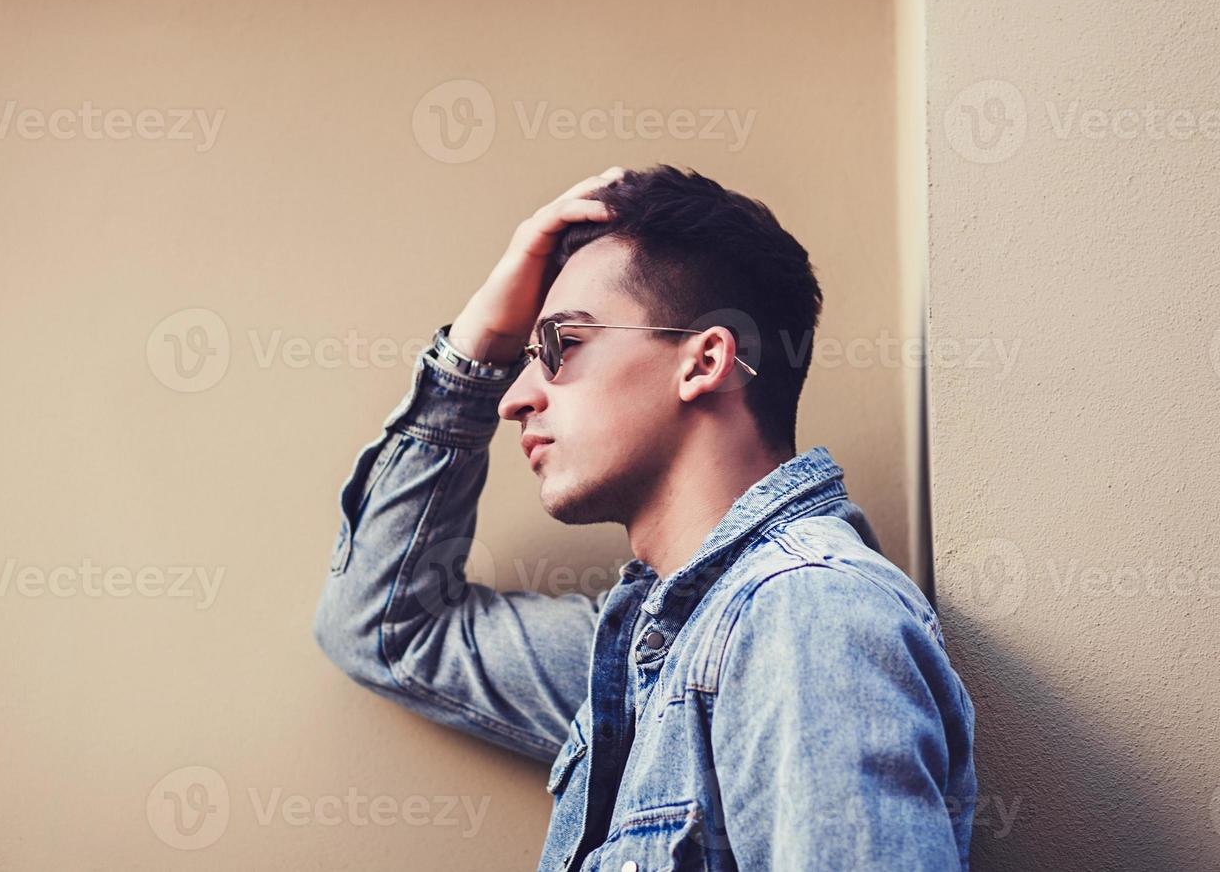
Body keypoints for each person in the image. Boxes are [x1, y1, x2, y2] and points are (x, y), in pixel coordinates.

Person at [312, 165, 977, 870]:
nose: (515, 396)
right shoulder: (641, 656)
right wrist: (477, 347)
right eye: (522, 357)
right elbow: (385, 628)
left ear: (705, 362)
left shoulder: (806, 612)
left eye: (561, 346)